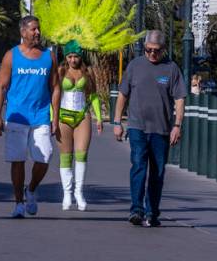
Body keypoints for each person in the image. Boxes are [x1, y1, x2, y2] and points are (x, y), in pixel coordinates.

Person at [113, 30, 186, 227]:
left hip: (161, 130)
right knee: (138, 165)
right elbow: (122, 95)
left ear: (163, 49)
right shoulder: (135, 66)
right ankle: (136, 210)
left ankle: (152, 212)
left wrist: (177, 125)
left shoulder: (171, 69)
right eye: (148, 50)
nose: (152, 54)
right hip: (137, 127)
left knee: (158, 172)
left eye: (156, 51)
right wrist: (117, 122)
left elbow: (179, 99)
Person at [0, 15, 60, 219]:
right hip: (16, 116)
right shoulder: (11, 56)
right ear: (23, 32)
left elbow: (55, 87)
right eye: (33, 29)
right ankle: (19, 202)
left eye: (38, 29)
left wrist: (55, 117)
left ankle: (31, 189)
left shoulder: (49, 56)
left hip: (40, 116)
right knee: (18, 160)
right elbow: (1, 87)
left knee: (45, 157)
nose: (37, 33)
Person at [57, 41, 103, 211]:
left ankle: (79, 192)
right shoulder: (60, 71)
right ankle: (67, 193)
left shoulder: (88, 72)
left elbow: (93, 96)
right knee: (65, 156)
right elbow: (53, 96)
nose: (73, 60)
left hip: (82, 115)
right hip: (63, 117)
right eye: (70, 56)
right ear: (66, 57)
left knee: (82, 155)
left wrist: (98, 118)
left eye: (76, 56)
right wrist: (51, 118)